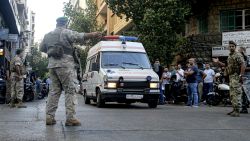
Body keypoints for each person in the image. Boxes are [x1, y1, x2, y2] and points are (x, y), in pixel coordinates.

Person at [40, 17, 102, 126]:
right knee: (70, 90)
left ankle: (49, 117)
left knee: (54, 91)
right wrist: (93, 34)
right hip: (65, 65)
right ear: (65, 23)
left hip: (52, 65)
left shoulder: (48, 35)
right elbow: (79, 36)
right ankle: (70, 118)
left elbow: (42, 48)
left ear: (57, 23)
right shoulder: (65, 32)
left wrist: (53, 51)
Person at [213, 41, 245, 117]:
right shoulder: (230, 56)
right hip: (231, 76)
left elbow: (243, 64)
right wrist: (218, 62)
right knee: (232, 94)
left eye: (232, 46)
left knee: (235, 94)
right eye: (230, 46)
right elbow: (226, 65)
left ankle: (237, 111)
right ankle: (234, 109)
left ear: (235, 47)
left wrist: (241, 75)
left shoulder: (238, 55)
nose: (231, 47)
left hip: (236, 76)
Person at [238, 47, 249, 114]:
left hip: (248, 78)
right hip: (243, 78)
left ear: (243, 51)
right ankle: (244, 108)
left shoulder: (247, 58)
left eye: (239, 51)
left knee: (248, 94)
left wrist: (243, 68)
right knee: (243, 94)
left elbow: (247, 67)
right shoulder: (240, 59)